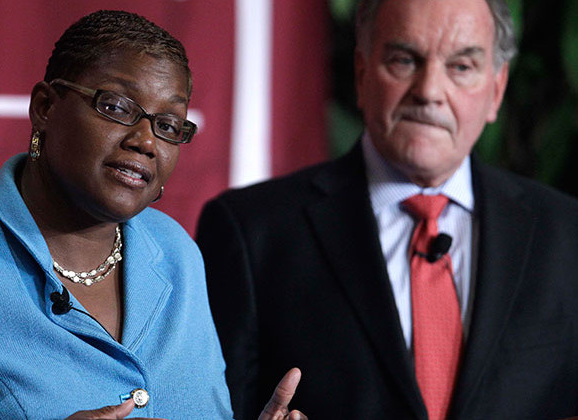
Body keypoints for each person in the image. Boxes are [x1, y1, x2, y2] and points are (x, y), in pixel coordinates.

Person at [0, 10, 306, 419]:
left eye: (167, 125)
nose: (145, 141)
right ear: (44, 108)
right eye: (117, 107)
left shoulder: (177, 254)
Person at [197, 0, 578, 419]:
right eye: (404, 60)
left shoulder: (566, 234)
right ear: (362, 73)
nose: (430, 91)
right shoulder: (251, 232)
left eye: (462, 67)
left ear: (497, 90)